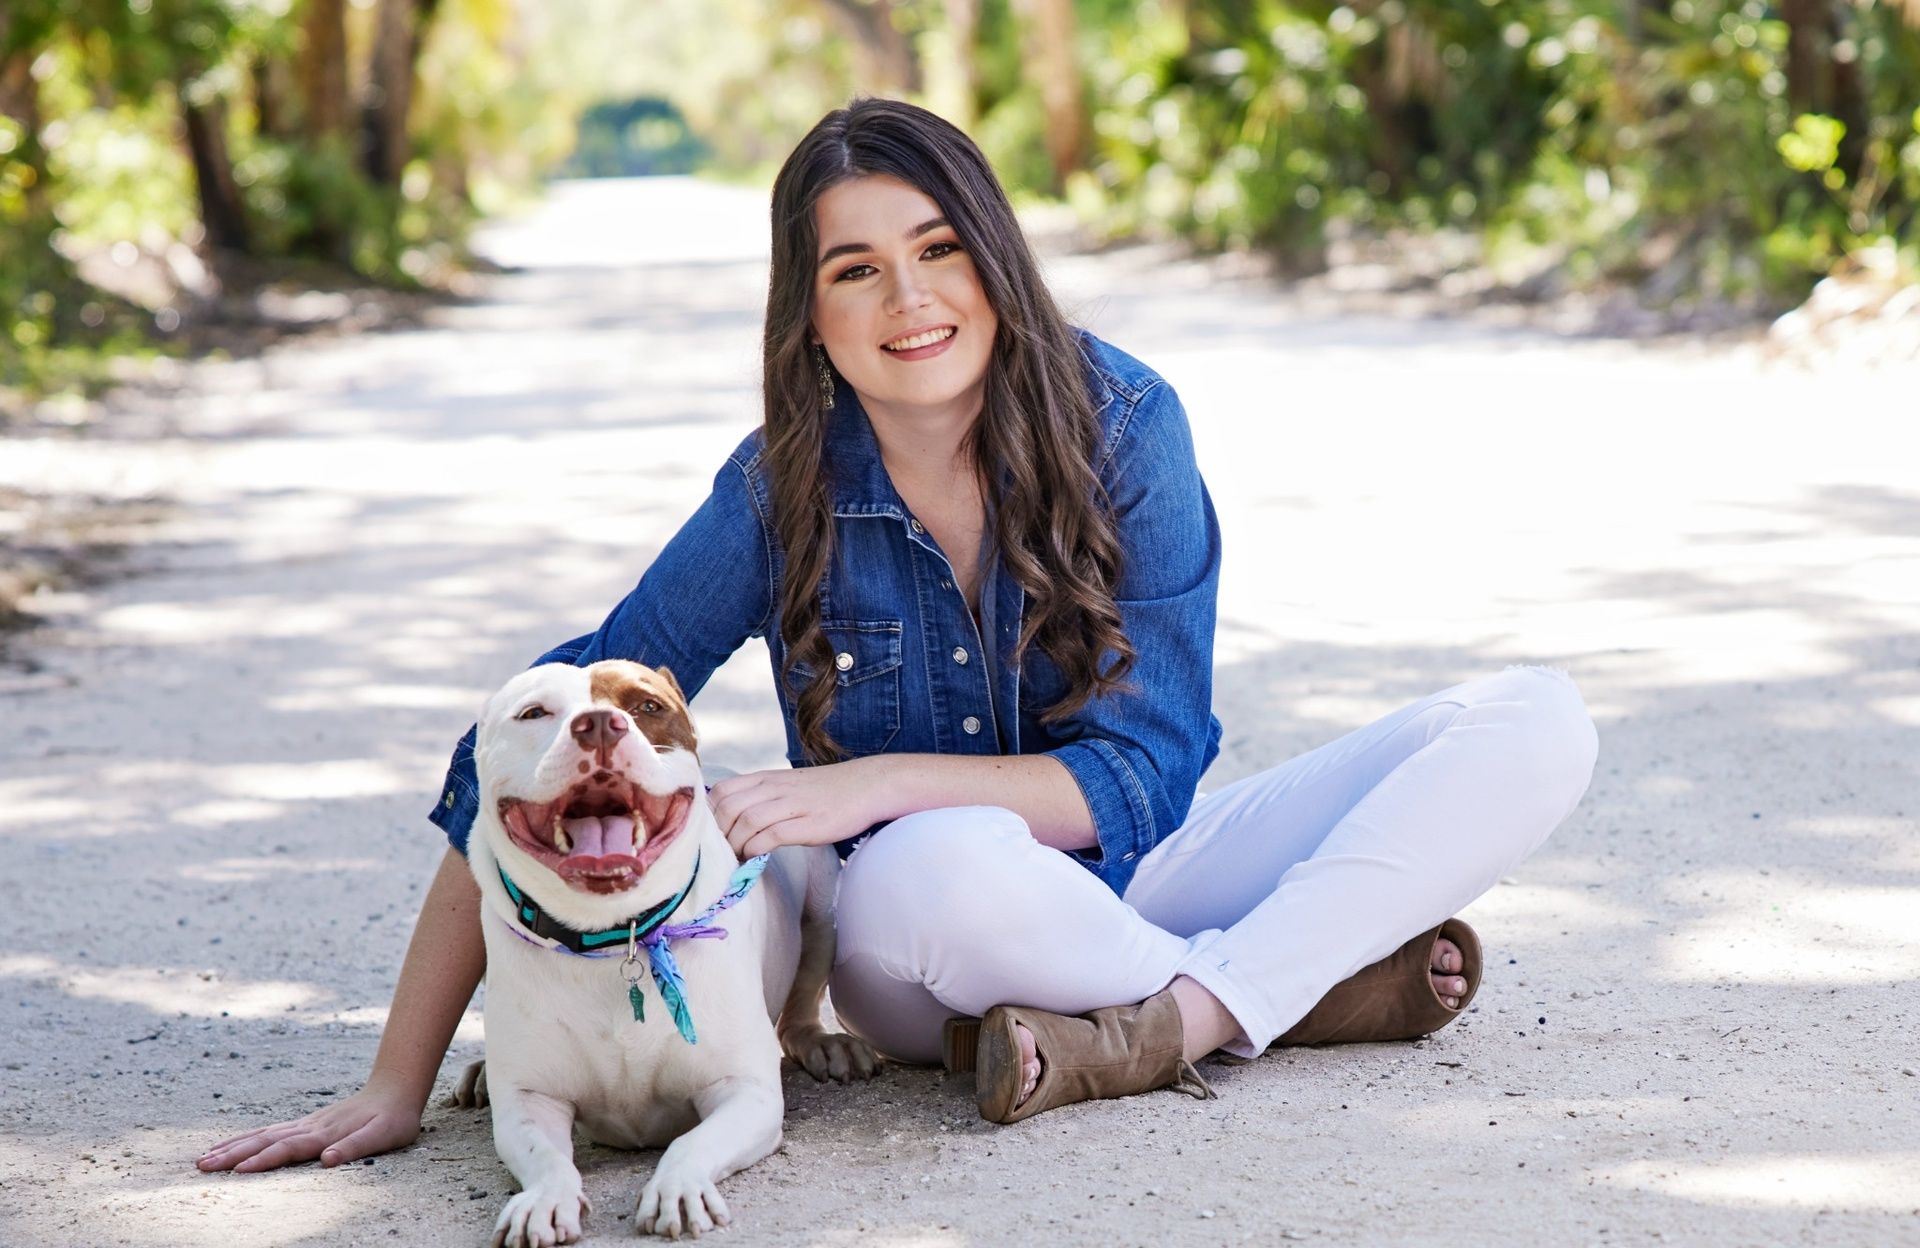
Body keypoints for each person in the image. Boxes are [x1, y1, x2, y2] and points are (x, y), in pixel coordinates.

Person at [199, 96, 1597, 1170]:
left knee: (1538, 720)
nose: (910, 300)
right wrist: (399, 1077)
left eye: (937, 250)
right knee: (937, 864)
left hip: (1133, 872)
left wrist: (862, 781)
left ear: (994, 257)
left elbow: (1144, 776)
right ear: (809, 313)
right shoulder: (782, 488)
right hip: (922, 934)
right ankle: (1306, 979)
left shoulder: (1127, 427)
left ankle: (1181, 1021)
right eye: (856, 270)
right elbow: (530, 748)